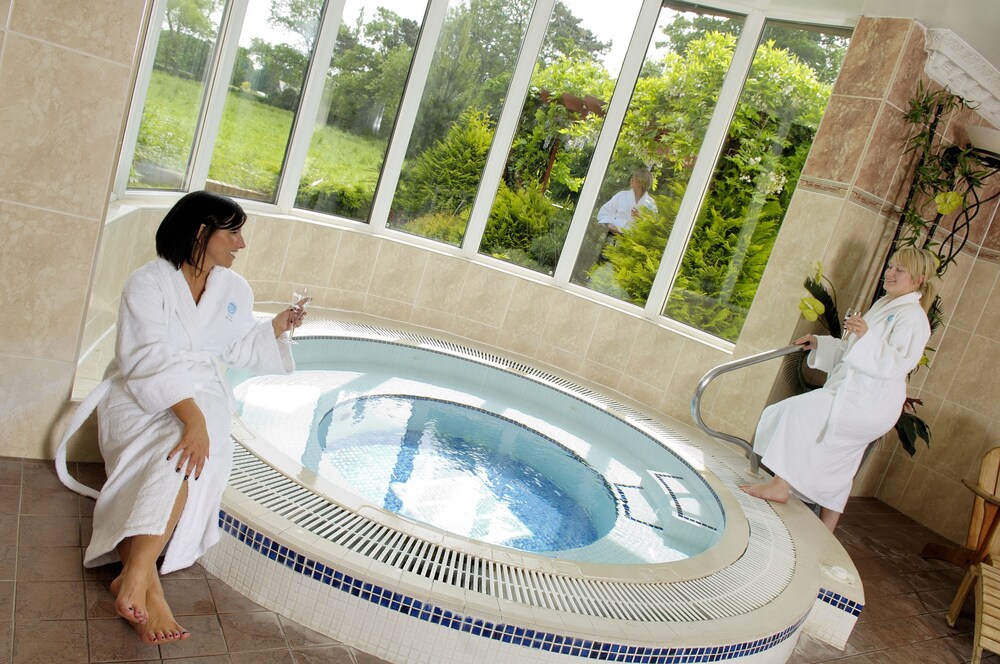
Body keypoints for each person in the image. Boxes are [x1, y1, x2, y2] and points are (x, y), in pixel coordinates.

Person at [55, 191, 306, 643]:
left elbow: (235, 348)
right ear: (200, 232)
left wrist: (275, 327)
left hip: (201, 390)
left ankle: (134, 574)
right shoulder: (147, 284)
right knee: (176, 446)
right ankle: (144, 582)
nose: (241, 244)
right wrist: (192, 420)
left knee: (184, 457)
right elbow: (145, 358)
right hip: (140, 391)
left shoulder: (234, 288)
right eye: (233, 233)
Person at [740, 246, 937, 532]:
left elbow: (897, 363)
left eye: (899, 270)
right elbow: (853, 350)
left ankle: (781, 484)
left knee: (794, 412)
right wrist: (821, 343)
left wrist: (866, 336)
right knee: (839, 458)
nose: (890, 273)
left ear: (918, 279)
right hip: (859, 395)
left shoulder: (913, 318)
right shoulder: (885, 305)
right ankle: (827, 529)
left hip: (871, 401)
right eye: (891, 266)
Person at [596, 167, 657, 236]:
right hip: (613, 235)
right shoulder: (622, 195)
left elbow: (653, 225)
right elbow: (604, 211)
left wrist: (640, 218)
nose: (631, 180)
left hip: (634, 240)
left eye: (634, 179)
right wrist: (609, 224)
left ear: (641, 182)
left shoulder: (651, 203)